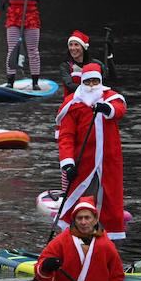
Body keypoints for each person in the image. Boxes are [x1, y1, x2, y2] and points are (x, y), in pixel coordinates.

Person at [55, 62, 127, 242]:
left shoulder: (110, 99)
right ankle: (76, 242)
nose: (92, 86)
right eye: (88, 82)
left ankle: (102, 245)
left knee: (108, 201)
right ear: (82, 83)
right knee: (83, 203)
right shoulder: (74, 104)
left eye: (96, 82)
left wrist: (106, 109)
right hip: (84, 164)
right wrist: (68, 163)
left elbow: (119, 110)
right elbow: (66, 137)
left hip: (108, 163)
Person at [3, 0, 45, 89]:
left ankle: (35, 82)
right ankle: (10, 81)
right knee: (12, 47)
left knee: (33, 50)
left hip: (30, 15)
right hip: (14, 15)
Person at [58, 30, 94, 96]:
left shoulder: (95, 64)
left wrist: (109, 57)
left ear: (83, 48)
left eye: (76, 45)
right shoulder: (65, 66)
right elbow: (68, 85)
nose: (73, 48)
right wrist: (90, 88)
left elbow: (111, 80)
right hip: (72, 101)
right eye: (70, 45)